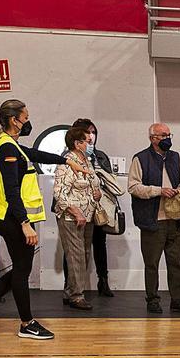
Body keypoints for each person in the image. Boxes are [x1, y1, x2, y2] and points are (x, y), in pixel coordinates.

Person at [0, 99, 86, 340]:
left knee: (21, 268)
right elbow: (11, 191)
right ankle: (26, 323)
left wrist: (67, 160)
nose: (28, 122)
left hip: (9, 217)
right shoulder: (7, 148)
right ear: (13, 120)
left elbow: (35, 153)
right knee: (21, 270)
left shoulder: (12, 145)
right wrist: (25, 223)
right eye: (25, 118)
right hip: (11, 218)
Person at [129, 123, 180, 315]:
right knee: (152, 263)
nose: (167, 138)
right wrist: (159, 191)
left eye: (169, 134)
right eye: (163, 135)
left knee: (175, 261)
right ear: (152, 138)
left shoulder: (175, 157)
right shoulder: (140, 158)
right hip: (152, 220)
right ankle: (152, 299)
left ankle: (178, 299)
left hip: (174, 219)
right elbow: (133, 187)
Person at [53, 125, 102, 310]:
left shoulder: (87, 161)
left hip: (88, 216)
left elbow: (91, 182)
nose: (91, 142)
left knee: (84, 254)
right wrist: (75, 211)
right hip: (71, 218)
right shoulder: (67, 162)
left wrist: (96, 193)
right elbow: (59, 193)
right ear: (77, 143)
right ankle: (76, 295)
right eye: (87, 140)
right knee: (76, 256)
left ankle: (70, 290)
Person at [72, 118, 115, 297]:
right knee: (75, 248)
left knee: (100, 243)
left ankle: (103, 280)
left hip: (98, 206)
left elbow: (110, 180)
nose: (91, 137)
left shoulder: (100, 156)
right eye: (87, 133)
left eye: (93, 133)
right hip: (77, 208)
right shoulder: (69, 156)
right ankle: (72, 286)